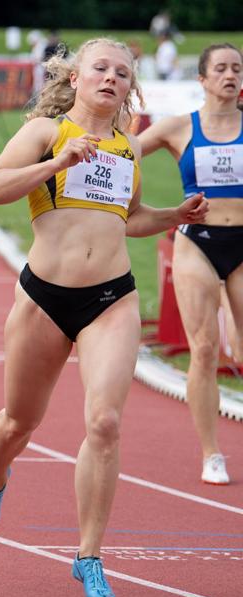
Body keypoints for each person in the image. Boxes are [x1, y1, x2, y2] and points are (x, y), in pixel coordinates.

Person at [0, 38, 207, 597]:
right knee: (17, 423)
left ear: (129, 89)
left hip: (111, 299)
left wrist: (172, 215)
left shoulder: (127, 149)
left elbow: (126, 219)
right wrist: (57, 162)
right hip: (44, 299)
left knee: (105, 423)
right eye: (99, 68)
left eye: (122, 74)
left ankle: (89, 555)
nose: (111, 78)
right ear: (75, 78)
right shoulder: (45, 134)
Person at [138, 43, 243, 485]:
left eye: (237, 68)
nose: (230, 75)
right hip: (197, 243)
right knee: (202, 349)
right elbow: (123, 154)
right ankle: (211, 454)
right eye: (220, 68)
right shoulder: (180, 127)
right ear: (202, 79)